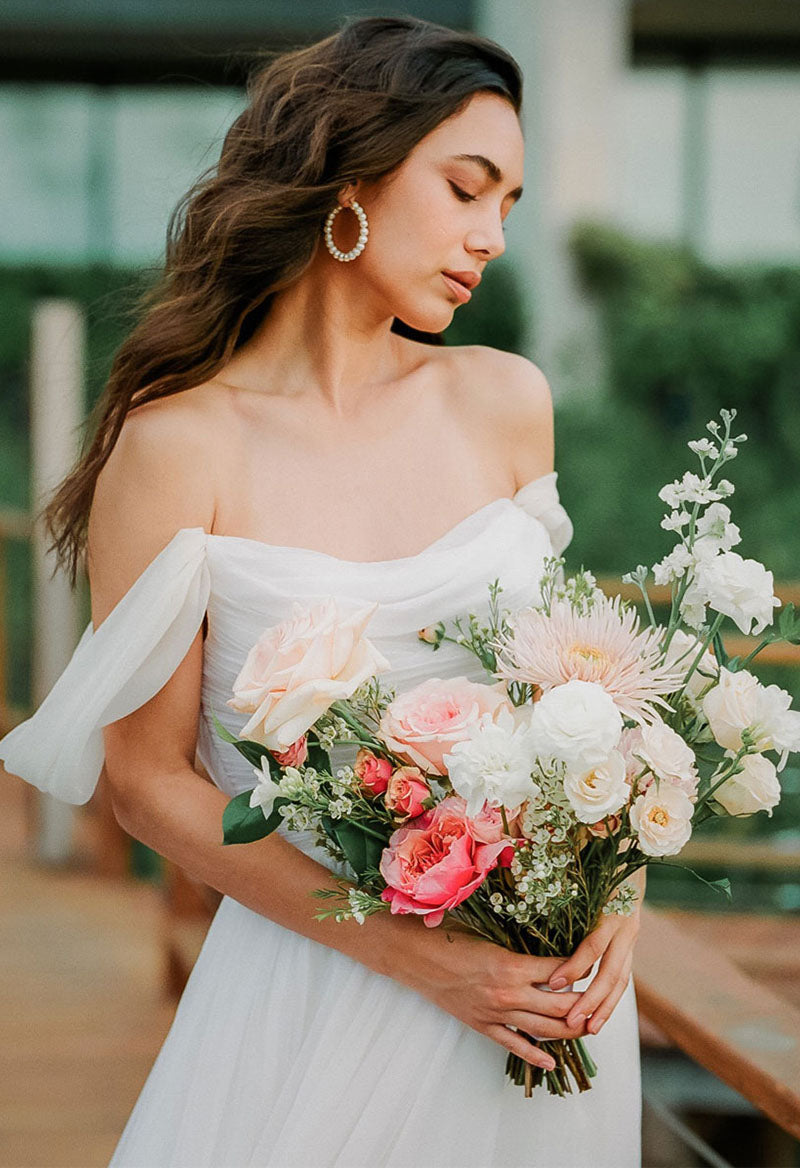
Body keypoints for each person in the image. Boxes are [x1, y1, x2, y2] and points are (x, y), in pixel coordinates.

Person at [0, 15, 643, 1166]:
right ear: (350, 173)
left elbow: (577, 693)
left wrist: (618, 887)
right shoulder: (177, 447)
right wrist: (427, 959)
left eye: (508, 203)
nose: (492, 235)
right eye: (465, 188)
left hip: (548, 998)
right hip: (318, 984)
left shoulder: (503, 399)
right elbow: (150, 784)